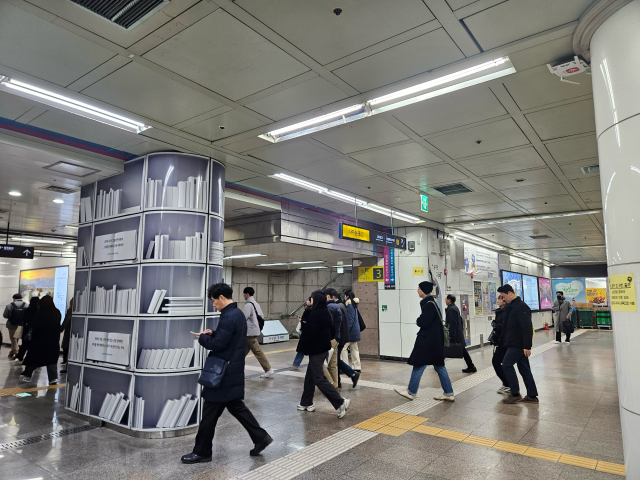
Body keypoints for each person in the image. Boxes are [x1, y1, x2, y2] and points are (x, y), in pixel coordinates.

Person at [181, 283, 272, 464]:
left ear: (222, 297)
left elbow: (219, 345)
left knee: (209, 414)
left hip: (222, 375)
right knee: (236, 407)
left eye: (214, 301)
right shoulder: (237, 313)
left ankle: (202, 452)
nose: (213, 305)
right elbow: (230, 336)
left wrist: (205, 338)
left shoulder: (229, 316)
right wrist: (214, 332)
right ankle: (260, 438)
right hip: (232, 371)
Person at [395, 282, 454, 402]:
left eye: (419, 288)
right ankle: (448, 393)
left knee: (419, 364)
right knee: (439, 366)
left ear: (423, 290)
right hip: (435, 341)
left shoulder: (428, 304)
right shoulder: (432, 303)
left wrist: (418, 320)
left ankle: (411, 391)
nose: (417, 290)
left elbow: (424, 322)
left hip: (428, 341)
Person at [297, 290, 351, 418]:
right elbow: (332, 332)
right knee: (310, 376)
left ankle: (340, 402)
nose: (311, 301)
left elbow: (310, 333)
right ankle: (306, 402)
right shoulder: (326, 313)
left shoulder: (315, 314)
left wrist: (304, 325)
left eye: (313, 299)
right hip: (323, 349)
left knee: (318, 378)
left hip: (316, 350)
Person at [497, 285, 539, 404]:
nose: (503, 299)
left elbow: (527, 328)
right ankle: (532, 395)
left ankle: (515, 393)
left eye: (504, 296)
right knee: (524, 369)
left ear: (510, 293)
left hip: (518, 344)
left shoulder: (521, 307)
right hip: (513, 342)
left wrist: (527, 346)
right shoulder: (511, 307)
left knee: (506, 365)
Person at [20, 295, 60, 384]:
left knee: (34, 357)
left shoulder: (41, 313)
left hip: (40, 340)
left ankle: (27, 374)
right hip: (53, 340)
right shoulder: (56, 312)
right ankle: (53, 378)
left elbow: (36, 326)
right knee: (51, 359)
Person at [241, 287, 274, 378]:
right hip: (254, 331)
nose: (243, 295)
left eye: (244, 294)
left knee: (257, 352)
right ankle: (236, 371)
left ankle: (268, 369)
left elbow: (242, 318)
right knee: (241, 353)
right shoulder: (256, 304)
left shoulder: (248, 305)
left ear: (247, 294)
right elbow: (261, 316)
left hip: (249, 333)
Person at [331, 289, 359, 389]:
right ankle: (351, 373)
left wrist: (348, 332)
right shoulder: (345, 305)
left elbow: (348, 321)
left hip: (342, 336)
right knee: (338, 358)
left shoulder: (342, 306)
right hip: (345, 335)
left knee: (336, 360)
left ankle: (351, 373)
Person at [445, 294, 476, 373]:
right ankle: (471, 366)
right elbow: (460, 321)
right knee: (462, 350)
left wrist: (451, 335)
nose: (445, 300)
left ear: (449, 300)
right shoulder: (454, 308)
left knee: (445, 349)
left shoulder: (451, 309)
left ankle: (438, 364)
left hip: (455, 334)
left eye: (446, 299)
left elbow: (453, 323)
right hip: (458, 333)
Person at [490, 293, 510, 394]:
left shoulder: (505, 312)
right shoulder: (499, 312)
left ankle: (507, 384)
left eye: (500, 299)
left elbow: (504, 327)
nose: (498, 301)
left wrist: (496, 325)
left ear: (504, 300)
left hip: (504, 342)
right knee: (502, 363)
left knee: (496, 362)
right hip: (500, 341)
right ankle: (507, 383)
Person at [324, 289, 342, 388]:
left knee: (321, 364)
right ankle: (335, 384)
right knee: (333, 365)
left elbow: (327, 324)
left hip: (330, 339)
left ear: (328, 297)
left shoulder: (329, 307)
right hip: (337, 338)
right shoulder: (336, 306)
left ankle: (330, 383)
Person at [341, 290, 361, 373]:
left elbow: (350, 320)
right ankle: (357, 367)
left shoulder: (350, 306)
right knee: (354, 349)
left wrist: (346, 331)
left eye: (345, 296)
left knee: (343, 348)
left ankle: (346, 366)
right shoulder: (354, 305)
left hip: (351, 332)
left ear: (347, 296)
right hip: (355, 331)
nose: (344, 297)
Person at [15, 297, 40, 364]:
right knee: (35, 344)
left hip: (27, 328)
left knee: (24, 344)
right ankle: (34, 359)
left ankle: (20, 358)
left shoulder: (28, 309)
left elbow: (23, 319)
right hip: (37, 329)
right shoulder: (40, 310)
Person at [290, 298, 311, 370]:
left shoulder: (308, 310)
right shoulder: (312, 310)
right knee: (305, 350)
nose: (307, 301)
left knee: (302, 349)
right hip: (309, 332)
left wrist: (301, 321)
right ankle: (296, 363)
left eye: (308, 300)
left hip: (306, 333)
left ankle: (296, 363)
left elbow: (306, 322)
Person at [3, 293, 26, 358]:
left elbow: (5, 315)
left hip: (11, 324)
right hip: (21, 324)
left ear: (13, 298)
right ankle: (11, 352)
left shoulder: (9, 305)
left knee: (13, 339)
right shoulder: (26, 305)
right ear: (21, 298)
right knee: (16, 339)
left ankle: (16, 352)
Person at [60, 297, 73, 373]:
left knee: (67, 349)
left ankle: (67, 367)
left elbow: (66, 321)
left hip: (69, 332)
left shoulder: (70, 310)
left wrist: (61, 329)